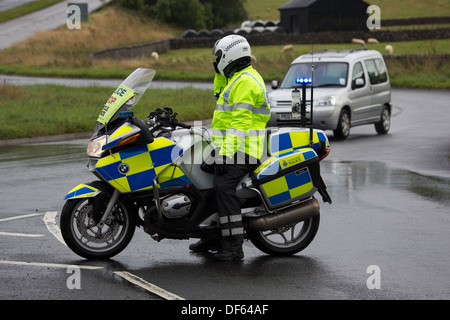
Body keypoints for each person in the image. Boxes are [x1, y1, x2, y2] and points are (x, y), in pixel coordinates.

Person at [189, 35, 270, 261]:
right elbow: (219, 96)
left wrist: (224, 156)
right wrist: (218, 73)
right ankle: (212, 235)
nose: (216, 61)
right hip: (233, 146)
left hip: (245, 149)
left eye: (219, 57)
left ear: (229, 55)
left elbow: (240, 124)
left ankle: (234, 246)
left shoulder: (246, 82)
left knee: (224, 186)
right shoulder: (238, 79)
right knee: (204, 177)